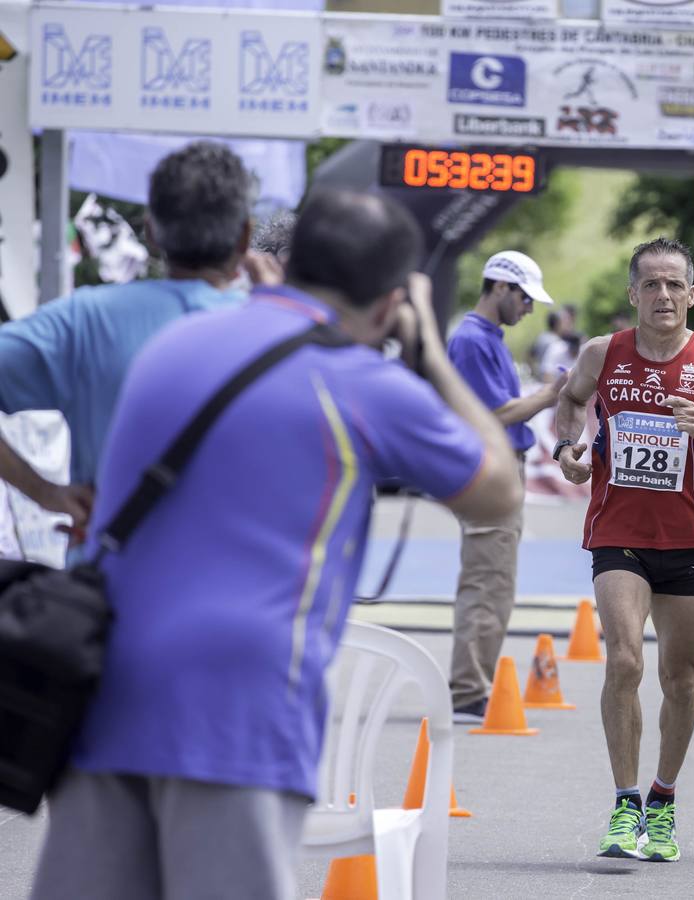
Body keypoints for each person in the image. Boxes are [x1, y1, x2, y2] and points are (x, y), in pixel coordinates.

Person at [29, 188, 521, 900]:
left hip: (103, 684)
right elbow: (498, 490)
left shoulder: (177, 341)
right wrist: (428, 354)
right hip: (238, 706)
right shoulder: (364, 384)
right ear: (390, 304)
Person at [553, 236, 694, 863]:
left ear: (692, 295)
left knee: (681, 677)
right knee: (623, 661)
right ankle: (624, 806)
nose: (664, 294)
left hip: (690, 539)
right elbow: (570, 403)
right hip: (619, 535)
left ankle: (662, 800)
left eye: (675, 284)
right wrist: (569, 449)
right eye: (651, 284)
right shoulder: (603, 354)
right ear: (633, 294)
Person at [0, 141, 259, 550]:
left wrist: (44, 492)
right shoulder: (286, 333)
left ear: (152, 232)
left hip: (110, 594)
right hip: (244, 597)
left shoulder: (85, 321)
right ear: (246, 235)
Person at [447, 251, 566, 723]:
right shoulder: (473, 340)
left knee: (495, 578)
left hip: (497, 465)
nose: (530, 309)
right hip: (491, 465)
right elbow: (492, 414)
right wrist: (548, 394)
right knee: (487, 578)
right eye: (525, 298)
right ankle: (468, 691)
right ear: (500, 287)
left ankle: (472, 685)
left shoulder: (485, 337)